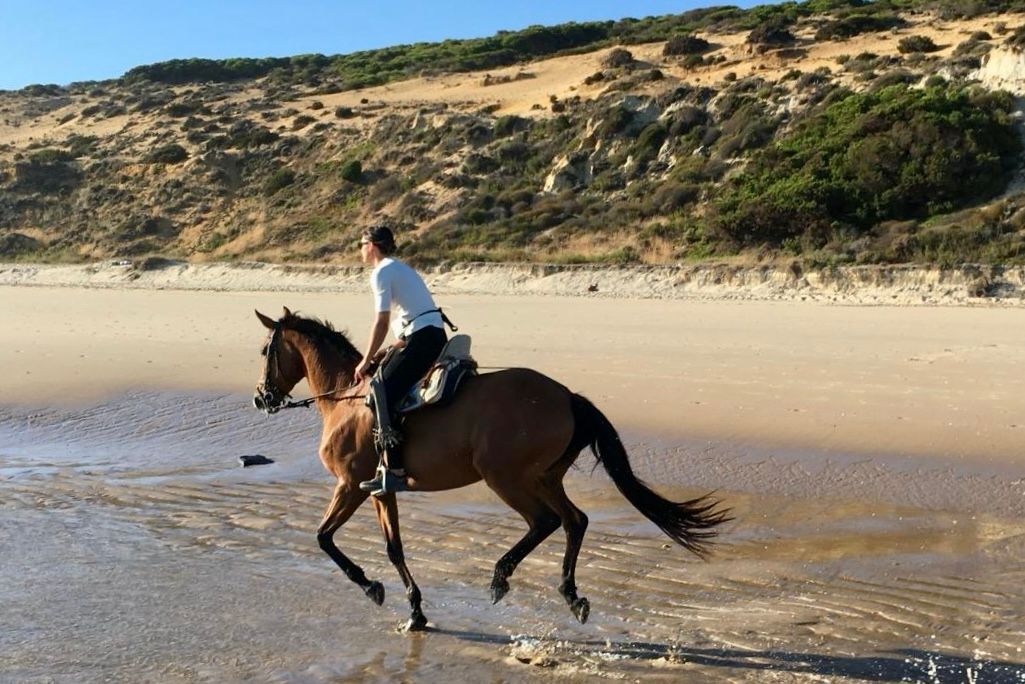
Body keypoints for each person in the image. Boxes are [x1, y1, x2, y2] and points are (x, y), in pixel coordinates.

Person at [354, 225, 448, 496]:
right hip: (429, 334)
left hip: (423, 337)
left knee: (380, 386)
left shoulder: (381, 272)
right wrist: (385, 352)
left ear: (372, 245)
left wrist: (365, 360)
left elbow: (381, 321)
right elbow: (412, 318)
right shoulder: (402, 268)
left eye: (361, 244)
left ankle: (394, 470)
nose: (360, 250)